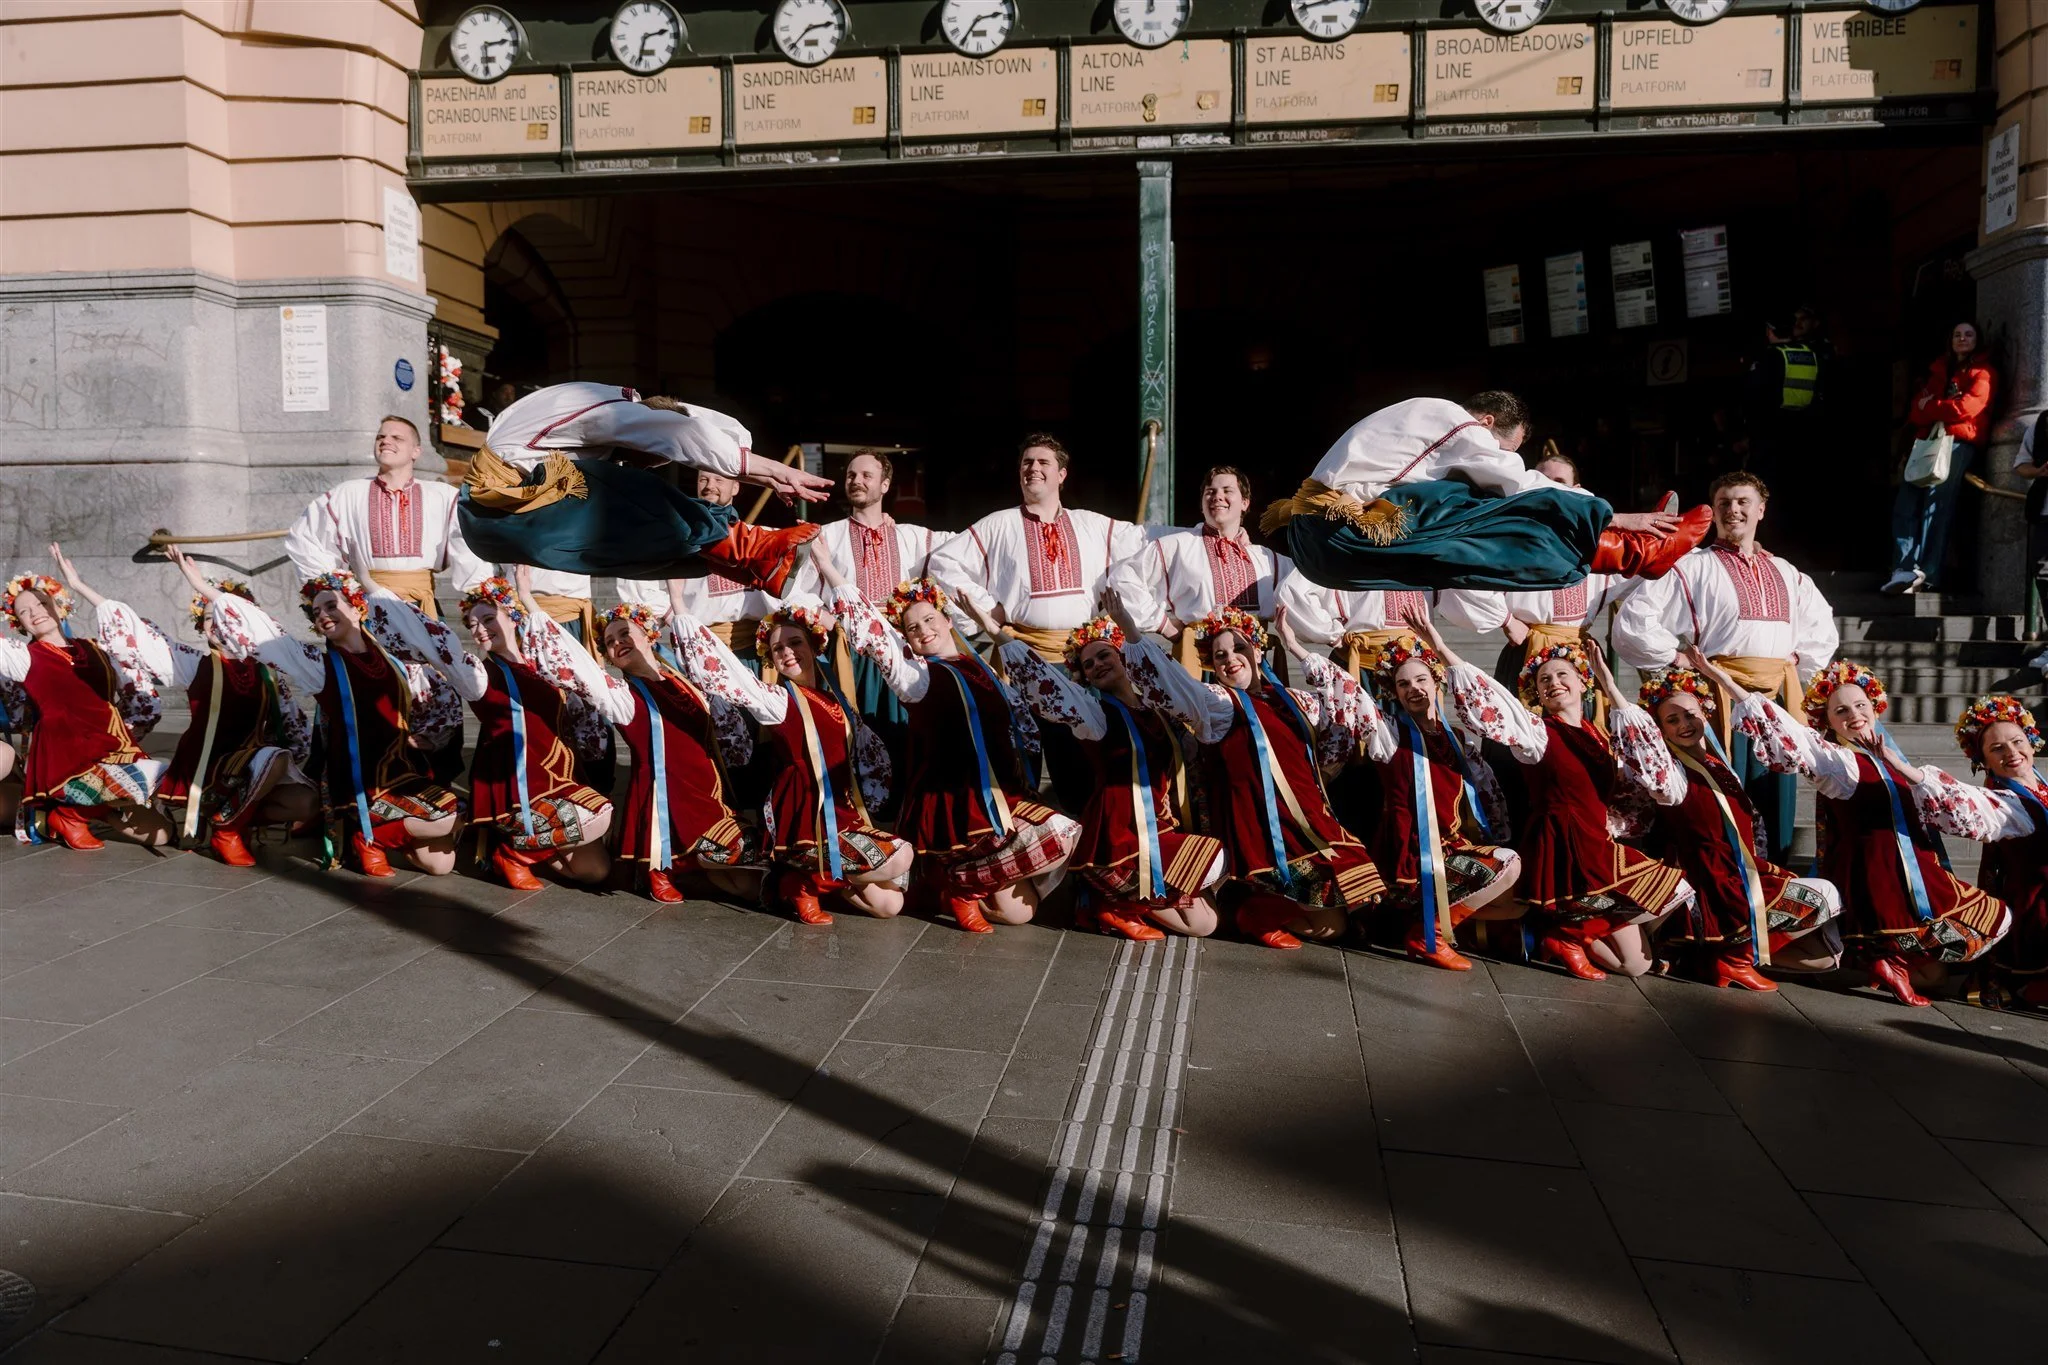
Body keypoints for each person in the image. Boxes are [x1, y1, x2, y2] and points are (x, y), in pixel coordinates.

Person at [819, 560, 1080, 934]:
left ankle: (950, 885)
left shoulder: (982, 670)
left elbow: (1027, 698)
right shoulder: (918, 677)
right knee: (1063, 832)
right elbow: (877, 637)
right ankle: (961, 886)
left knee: (1018, 912)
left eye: (929, 620)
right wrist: (830, 568)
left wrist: (991, 627)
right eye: (912, 628)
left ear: (948, 621)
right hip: (954, 807)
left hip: (999, 798)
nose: (923, 630)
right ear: (906, 640)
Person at [1423, 623, 1694, 980]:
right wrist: (1440, 644)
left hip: (1596, 843)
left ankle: (1562, 936)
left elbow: (1650, 778)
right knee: (1662, 912)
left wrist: (1612, 686)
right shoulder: (1536, 733)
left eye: (1562, 675)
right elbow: (1492, 700)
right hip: (1564, 846)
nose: (1553, 684)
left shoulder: (1601, 737)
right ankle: (1564, 934)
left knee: (1642, 952)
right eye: (1544, 681)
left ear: (1584, 682)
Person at [1740, 658, 2010, 1006]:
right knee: (1825, 957)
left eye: (1860, 705)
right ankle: (1740, 953)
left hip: (1905, 874)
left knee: (1935, 975)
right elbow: (1794, 738)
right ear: (1828, 720)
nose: (1854, 715)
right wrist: (1733, 686)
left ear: (1874, 707)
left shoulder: (1887, 756)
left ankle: (1881, 961)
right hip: (1877, 879)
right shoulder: (1837, 761)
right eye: (1841, 711)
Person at [1261, 393, 1711, 593]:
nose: (1501, 457)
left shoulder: (1413, 424)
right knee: (1509, 510)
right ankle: (1637, 551)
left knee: (1470, 537)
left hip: (1320, 549)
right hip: (1344, 532)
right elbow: (1517, 482)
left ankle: (1632, 554)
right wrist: (1613, 514)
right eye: (1506, 449)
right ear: (1488, 423)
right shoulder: (1453, 418)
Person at [1614, 472, 1838, 862]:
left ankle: (1773, 885)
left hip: (1777, 701)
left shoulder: (1788, 573)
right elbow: (1635, 620)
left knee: (1776, 794)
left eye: (1742, 502)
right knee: (1723, 797)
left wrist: (1797, 661)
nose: (1733, 510)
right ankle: (1725, 885)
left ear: (1761, 510)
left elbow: (1821, 630)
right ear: (1713, 511)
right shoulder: (1693, 566)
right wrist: (1676, 657)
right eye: (1724, 504)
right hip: (1719, 699)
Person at [1137, 605, 1390, 949]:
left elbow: (1349, 699)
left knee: (1338, 924)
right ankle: (1252, 911)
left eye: (1239, 648)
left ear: (1258, 649)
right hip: (1261, 835)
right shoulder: (1216, 703)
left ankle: (1256, 912)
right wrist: (1131, 631)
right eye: (1220, 655)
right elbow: (1170, 683)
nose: (1230, 659)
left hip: (1311, 826)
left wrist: (1295, 644)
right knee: (1334, 922)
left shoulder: (1294, 700)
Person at [665, 595, 909, 924]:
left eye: (795, 642)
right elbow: (728, 674)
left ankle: (803, 881)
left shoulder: (832, 694)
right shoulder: (777, 700)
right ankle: (808, 880)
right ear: (772, 660)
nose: (787, 652)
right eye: (778, 649)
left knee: (889, 905)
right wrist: (680, 608)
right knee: (901, 855)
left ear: (813, 646)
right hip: (805, 813)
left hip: (840, 810)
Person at [455, 381, 829, 590]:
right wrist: (780, 471)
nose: (654, 461)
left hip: (496, 522)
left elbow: (695, 447)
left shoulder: (591, 417)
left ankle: (740, 562)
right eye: (658, 454)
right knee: (628, 490)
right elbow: (685, 434)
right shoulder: (612, 408)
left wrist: (766, 476)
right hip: (507, 505)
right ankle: (751, 548)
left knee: (640, 544)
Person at [211, 571, 466, 877]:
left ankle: (386, 833)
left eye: (331, 606)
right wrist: (215, 595)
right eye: (317, 612)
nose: (324, 615)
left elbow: (440, 693)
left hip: (401, 773)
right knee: (443, 820)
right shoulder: (322, 667)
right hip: (360, 785)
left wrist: (427, 737)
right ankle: (367, 837)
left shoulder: (393, 659)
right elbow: (273, 639)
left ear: (358, 608)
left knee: (442, 863)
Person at [1618, 657, 1844, 989]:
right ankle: (1731, 960)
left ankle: (1715, 960)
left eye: (1691, 714)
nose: (1684, 724)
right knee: (1822, 898)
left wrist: (1718, 677)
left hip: (1742, 873)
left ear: (1705, 714)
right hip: (1712, 881)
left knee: (1825, 953)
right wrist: (1613, 690)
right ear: (1660, 730)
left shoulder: (1719, 764)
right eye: (1672, 720)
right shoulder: (1673, 775)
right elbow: (1643, 746)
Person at [1001, 612, 1227, 943]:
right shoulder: (1094, 716)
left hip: (1160, 828)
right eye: (1088, 665)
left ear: (1121, 656)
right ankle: (1114, 903)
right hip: (1119, 837)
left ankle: (1106, 902)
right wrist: (999, 633)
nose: (1097, 666)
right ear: (1086, 679)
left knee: (1206, 922)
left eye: (1104, 655)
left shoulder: (1158, 712)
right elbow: (1046, 682)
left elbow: (1177, 693)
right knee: (1213, 875)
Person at [388, 573, 615, 890]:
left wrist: (525, 592)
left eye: (488, 618)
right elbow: (444, 653)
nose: (480, 630)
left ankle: (536, 846)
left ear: (513, 616)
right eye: (473, 624)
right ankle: (513, 853)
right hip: (519, 785)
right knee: (598, 815)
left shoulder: (541, 662)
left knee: (595, 870)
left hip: (560, 778)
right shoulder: (480, 674)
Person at [543, 592, 766, 905]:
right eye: (609, 641)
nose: (618, 642)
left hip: (706, 797)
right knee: (735, 881)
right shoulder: (623, 697)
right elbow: (586, 675)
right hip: (666, 805)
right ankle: (662, 866)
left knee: (748, 885)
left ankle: (696, 869)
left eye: (625, 633)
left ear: (648, 633)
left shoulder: (683, 681)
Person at [1353, 618, 1522, 970]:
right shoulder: (1390, 735)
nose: (1413, 689)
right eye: (1403, 684)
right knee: (1508, 864)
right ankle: (1427, 934)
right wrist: (1295, 648)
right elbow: (1352, 697)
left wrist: (1438, 645)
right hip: (1412, 853)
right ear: (1394, 693)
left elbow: (1490, 796)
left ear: (1437, 681)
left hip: (1451, 846)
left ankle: (1451, 929)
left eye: (1421, 679)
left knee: (1521, 896)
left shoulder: (1459, 740)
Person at [145, 548, 320, 865]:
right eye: (211, 618)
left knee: (304, 801)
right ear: (201, 625)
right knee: (274, 757)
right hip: (207, 770)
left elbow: (296, 729)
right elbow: (147, 640)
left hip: (249, 769)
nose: (218, 625)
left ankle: (234, 816)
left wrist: (272, 774)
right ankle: (228, 829)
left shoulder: (266, 671)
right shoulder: (194, 662)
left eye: (227, 618)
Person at [0, 553, 173, 850]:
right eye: (24, 611)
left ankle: (82, 813)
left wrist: (78, 584)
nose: (35, 612)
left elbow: (144, 703)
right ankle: (69, 811)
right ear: (19, 623)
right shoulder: (23, 657)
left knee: (162, 834)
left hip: (109, 749)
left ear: (60, 604)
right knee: (154, 776)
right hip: (66, 758)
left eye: (41, 603)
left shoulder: (100, 649)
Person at [783, 449, 956, 743]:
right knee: (857, 733)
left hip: (903, 650)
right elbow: (792, 589)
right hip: (851, 652)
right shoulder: (827, 535)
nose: (856, 481)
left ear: (885, 485)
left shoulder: (911, 536)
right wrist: (822, 616)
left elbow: (963, 551)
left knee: (909, 733)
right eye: (851, 475)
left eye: (866, 475)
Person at [928, 435, 1149, 661]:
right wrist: (988, 608)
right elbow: (943, 561)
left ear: (1062, 475)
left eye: (1043, 463)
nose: (1033, 468)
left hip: (1084, 656)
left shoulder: (1091, 524)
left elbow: (1145, 541)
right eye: (1027, 462)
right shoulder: (998, 524)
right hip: (1021, 653)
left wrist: (1188, 533)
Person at [1908, 695, 2048, 1008]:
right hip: (2034, 909)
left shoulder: (2038, 782)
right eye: (1997, 748)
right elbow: (1960, 805)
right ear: (1982, 759)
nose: (2011, 753)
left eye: (2017, 741)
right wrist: (1913, 774)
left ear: (2032, 740)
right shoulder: (1999, 800)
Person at [284, 414, 488, 617]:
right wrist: (332, 592)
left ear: (416, 451)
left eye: (397, 438)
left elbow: (471, 546)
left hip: (421, 605)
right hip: (367, 607)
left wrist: (480, 596)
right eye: (380, 437)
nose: (385, 441)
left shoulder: (443, 496)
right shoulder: (347, 493)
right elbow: (305, 537)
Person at [1106, 465, 1293, 672]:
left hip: (1254, 668)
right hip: (1198, 666)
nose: (1217, 496)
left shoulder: (1266, 558)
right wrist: (1163, 624)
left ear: (1245, 503)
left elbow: (1308, 587)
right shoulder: (1178, 545)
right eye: (1210, 492)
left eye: (1227, 490)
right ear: (1202, 505)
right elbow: (1122, 578)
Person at [1885, 321, 1997, 595]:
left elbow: (1967, 408)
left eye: (1968, 334)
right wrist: (1937, 409)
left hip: (1958, 443)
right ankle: (1903, 569)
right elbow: (1915, 411)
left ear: (1977, 340)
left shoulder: (1984, 372)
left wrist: (1932, 407)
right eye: (1957, 334)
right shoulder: (1938, 370)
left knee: (1937, 508)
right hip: (1926, 442)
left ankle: (1928, 572)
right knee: (1906, 504)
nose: (1962, 339)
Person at [1273, 575, 1507, 680]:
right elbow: (1291, 591)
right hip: (1364, 664)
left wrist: (1504, 617)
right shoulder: (1344, 547)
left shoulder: (1420, 549)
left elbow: (1461, 588)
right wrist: (1333, 636)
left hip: (1419, 667)